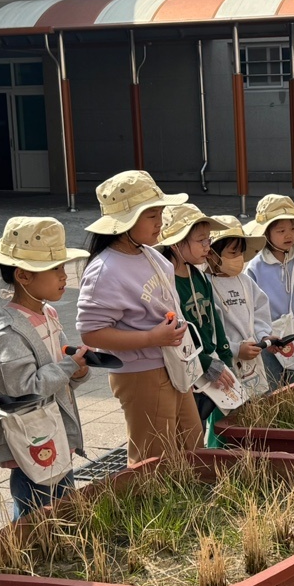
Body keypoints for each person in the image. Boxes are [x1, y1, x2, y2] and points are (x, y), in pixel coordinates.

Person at [0, 217, 91, 520]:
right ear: (23, 275)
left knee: (62, 504)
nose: (64, 276)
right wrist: (66, 367)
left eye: (63, 267)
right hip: (29, 437)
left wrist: (76, 370)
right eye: (55, 269)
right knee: (34, 512)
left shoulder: (47, 312)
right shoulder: (10, 332)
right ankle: (28, 560)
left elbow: (60, 367)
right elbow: (24, 388)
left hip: (53, 430)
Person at [76, 171, 199, 466]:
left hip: (173, 364)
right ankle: (154, 511)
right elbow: (91, 333)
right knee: (152, 459)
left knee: (191, 445)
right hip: (140, 372)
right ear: (125, 222)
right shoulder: (105, 269)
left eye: (161, 213)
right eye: (151, 215)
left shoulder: (152, 256)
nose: (160, 221)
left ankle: (190, 508)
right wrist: (150, 338)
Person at [156, 203, 238, 426]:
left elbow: (214, 319)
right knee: (186, 431)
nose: (207, 247)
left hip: (210, 367)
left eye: (208, 240)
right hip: (183, 371)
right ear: (176, 243)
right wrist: (203, 362)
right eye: (201, 240)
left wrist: (225, 356)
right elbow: (174, 333)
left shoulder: (200, 276)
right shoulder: (165, 283)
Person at [245, 194, 294, 388]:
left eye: (292, 228)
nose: (288, 235)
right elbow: (250, 308)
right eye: (281, 230)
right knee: (272, 388)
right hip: (268, 339)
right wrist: (260, 336)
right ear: (266, 233)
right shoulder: (255, 268)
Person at [207, 217, 273, 396]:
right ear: (211, 254)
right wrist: (235, 349)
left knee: (256, 403)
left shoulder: (245, 281)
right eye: (232, 252)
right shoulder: (206, 284)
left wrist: (263, 336)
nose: (239, 258)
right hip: (225, 363)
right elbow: (209, 329)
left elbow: (260, 309)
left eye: (241, 253)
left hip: (252, 357)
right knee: (230, 406)